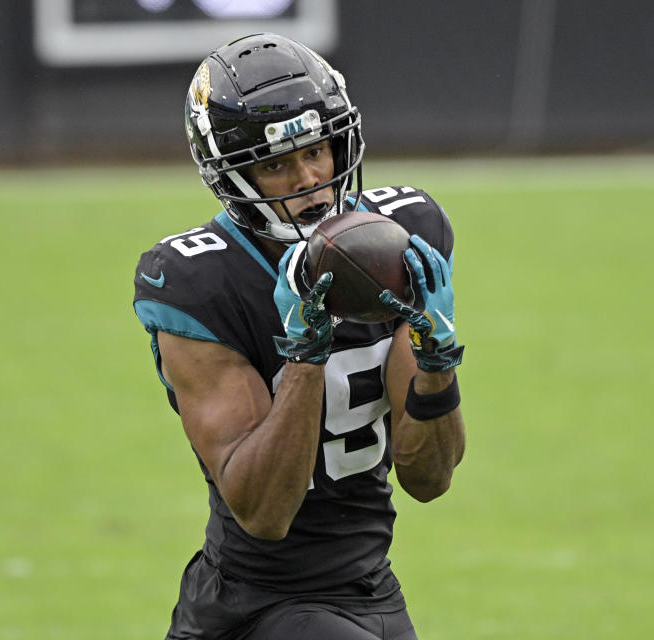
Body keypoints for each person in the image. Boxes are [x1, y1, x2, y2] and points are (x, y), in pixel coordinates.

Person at [133, 33, 466, 640]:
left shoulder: (398, 237)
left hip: (372, 588)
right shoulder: (196, 280)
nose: (309, 178)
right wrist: (305, 356)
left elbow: (428, 479)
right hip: (257, 606)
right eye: (275, 164)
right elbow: (262, 512)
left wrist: (436, 357)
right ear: (234, 176)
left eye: (316, 150)